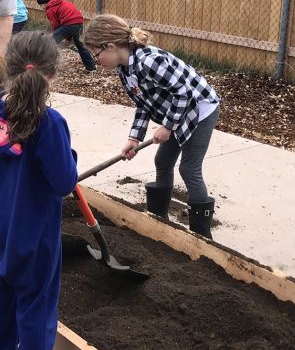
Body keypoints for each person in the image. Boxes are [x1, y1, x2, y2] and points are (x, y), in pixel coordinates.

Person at [0, 31, 78, 350]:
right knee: (36, 311)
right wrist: (69, 158)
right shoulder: (50, 123)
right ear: (53, 75)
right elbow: (63, 183)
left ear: (9, 69)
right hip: (35, 244)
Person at [83, 14, 221, 239]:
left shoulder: (149, 61)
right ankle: (159, 222)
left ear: (110, 46)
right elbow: (143, 103)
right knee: (162, 161)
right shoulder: (125, 70)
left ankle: (202, 236)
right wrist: (134, 138)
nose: (97, 60)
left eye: (96, 54)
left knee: (189, 168)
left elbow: (184, 93)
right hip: (178, 112)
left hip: (200, 109)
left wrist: (167, 126)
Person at [36, 0, 96, 73]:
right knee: (81, 46)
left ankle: (46, 65)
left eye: (41, 5)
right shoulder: (63, 2)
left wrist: (55, 35)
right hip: (79, 23)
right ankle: (91, 67)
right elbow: (70, 19)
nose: (42, 7)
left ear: (45, 3)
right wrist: (66, 37)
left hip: (69, 25)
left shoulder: (50, 9)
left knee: (50, 43)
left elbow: (55, 25)